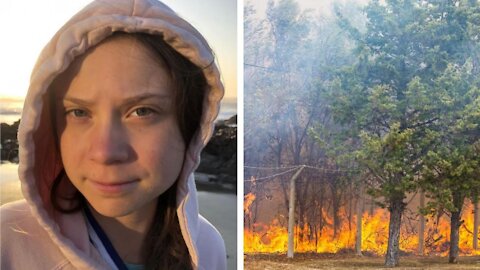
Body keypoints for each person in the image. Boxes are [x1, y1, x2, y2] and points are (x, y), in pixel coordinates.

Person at [0, 0, 227, 269]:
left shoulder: (207, 247)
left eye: (142, 111)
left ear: (191, 126)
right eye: (78, 112)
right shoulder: (8, 242)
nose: (105, 152)